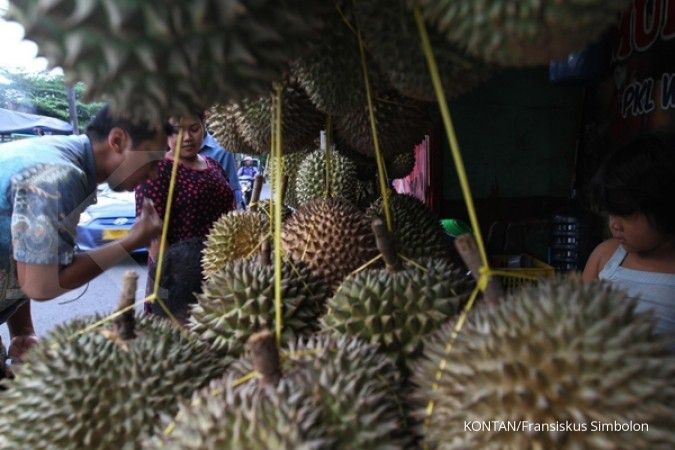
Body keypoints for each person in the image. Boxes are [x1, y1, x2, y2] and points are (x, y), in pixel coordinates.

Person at [0, 105, 166, 363]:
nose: (154, 174)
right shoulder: (58, 175)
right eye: (152, 161)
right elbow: (40, 284)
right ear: (118, 141)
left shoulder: (56, 155)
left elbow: (22, 253)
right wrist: (131, 241)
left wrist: (22, 331)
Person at [135, 113, 235, 321]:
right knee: (178, 341)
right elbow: (153, 236)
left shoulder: (214, 166)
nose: (187, 137)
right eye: (177, 130)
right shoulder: (156, 169)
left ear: (204, 126)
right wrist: (172, 288)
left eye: (194, 128)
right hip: (177, 280)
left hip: (218, 276)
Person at [582, 133, 675, 340]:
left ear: (663, 208)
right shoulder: (604, 256)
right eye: (611, 212)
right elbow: (577, 319)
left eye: (625, 213)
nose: (614, 224)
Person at [200, 129, 244, 209]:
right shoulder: (173, 152)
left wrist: (239, 207)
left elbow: (233, 186)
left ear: (203, 121)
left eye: (194, 129)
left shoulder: (222, 150)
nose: (187, 137)